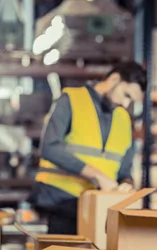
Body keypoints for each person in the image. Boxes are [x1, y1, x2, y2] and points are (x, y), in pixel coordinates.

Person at [30, 62, 146, 234]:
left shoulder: (123, 119)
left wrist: (126, 185)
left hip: (101, 207)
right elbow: (49, 147)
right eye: (126, 95)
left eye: (131, 100)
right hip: (63, 201)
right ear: (114, 79)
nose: (125, 103)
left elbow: (124, 172)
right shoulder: (71, 99)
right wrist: (98, 176)